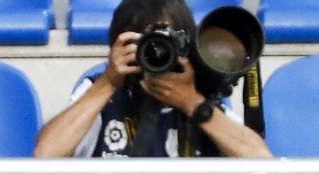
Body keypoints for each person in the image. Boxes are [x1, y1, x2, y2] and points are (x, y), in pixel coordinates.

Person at [34, 0, 270, 160]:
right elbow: (45, 156)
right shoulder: (101, 92)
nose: (158, 52)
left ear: (188, 46)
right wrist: (108, 82)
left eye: (168, 41)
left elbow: (263, 164)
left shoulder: (202, 98)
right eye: (146, 42)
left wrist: (193, 104)